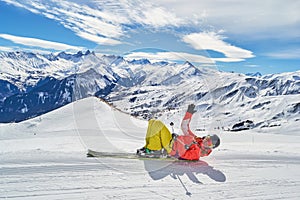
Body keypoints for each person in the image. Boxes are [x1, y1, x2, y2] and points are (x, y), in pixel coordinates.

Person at [137, 104, 220, 160]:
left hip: (171, 148)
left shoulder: (197, 153)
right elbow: (185, 128)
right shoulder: (197, 140)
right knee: (153, 122)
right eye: (208, 138)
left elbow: (182, 156)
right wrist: (189, 113)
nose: (206, 141)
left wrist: (181, 146)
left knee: (158, 125)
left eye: (209, 143)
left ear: (210, 147)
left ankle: (153, 150)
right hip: (171, 142)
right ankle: (148, 147)